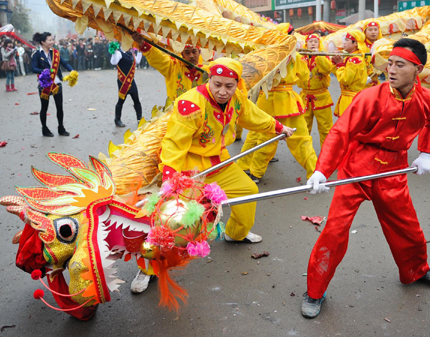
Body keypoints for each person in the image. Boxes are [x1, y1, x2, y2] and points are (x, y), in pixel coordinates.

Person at [301, 38, 430, 319]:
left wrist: (426, 154)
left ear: (417, 69)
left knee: (407, 227)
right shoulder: (370, 96)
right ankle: (315, 290)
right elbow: (340, 132)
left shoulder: (428, 100)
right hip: (357, 167)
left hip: (394, 170)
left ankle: (417, 270)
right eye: (389, 63)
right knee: (335, 230)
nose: (391, 70)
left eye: (400, 65)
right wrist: (322, 170)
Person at [130, 58, 295, 293]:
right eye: (217, 84)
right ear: (209, 79)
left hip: (221, 164)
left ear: (236, 84)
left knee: (248, 191)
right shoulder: (190, 104)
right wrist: (171, 179)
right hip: (190, 171)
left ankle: (235, 234)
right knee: (172, 221)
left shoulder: (237, 99)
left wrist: (278, 128)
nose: (222, 91)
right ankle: (147, 266)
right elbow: (174, 144)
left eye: (229, 86)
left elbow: (252, 115)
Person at [237, 23, 318, 183]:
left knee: (263, 136)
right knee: (301, 138)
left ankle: (253, 172)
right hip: (286, 101)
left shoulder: (265, 55)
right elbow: (303, 77)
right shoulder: (295, 57)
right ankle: (314, 171)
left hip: (265, 100)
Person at [131, 31, 205, 102]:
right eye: (187, 53)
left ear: (199, 52)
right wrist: (142, 43)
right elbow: (157, 58)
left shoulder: (207, 70)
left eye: (194, 52)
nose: (191, 56)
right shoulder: (173, 66)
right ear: (182, 54)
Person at [31, 32, 76, 137]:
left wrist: (72, 71)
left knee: (59, 107)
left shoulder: (55, 52)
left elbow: (64, 63)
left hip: (57, 84)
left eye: (52, 40)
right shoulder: (36, 54)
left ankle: (61, 128)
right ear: (43, 42)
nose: (52, 42)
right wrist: (45, 70)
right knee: (44, 108)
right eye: (50, 40)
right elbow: (33, 68)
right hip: (45, 84)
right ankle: (45, 129)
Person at [300, 34, 334, 147]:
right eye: (310, 42)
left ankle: (327, 155)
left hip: (321, 97)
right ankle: (305, 152)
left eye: (315, 42)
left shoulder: (324, 56)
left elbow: (327, 70)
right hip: (305, 97)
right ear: (306, 44)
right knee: (303, 128)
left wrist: (318, 55)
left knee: (325, 128)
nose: (313, 44)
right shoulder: (302, 57)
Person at [331, 30, 368, 117]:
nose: (344, 43)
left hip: (351, 98)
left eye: (347, 40)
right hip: (347, 97)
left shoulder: (355, 60)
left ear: (355, 43)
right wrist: (335, 62)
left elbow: (345, 79)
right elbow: (338, 74)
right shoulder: (350, 57)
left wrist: (340, 64)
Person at [109, 43, 143, 127]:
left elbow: (137, 61)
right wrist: (114, 52)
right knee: (121, 101)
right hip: (123, 81)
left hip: (131, 80)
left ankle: (139, 119)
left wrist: (140, 50)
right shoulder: (119, 53)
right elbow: (113, 62)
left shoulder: (131, 53)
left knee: (136, 100)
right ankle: (117, 120)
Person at [363, 20, 382, 87]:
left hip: (376, 81)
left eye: (375, 29)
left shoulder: (382, 45)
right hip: (362, 81)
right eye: (370, 30)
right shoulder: (360, 46)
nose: (373, 32)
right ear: (365, 32)